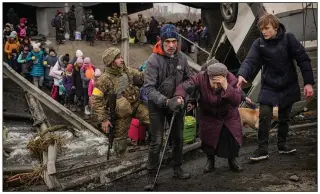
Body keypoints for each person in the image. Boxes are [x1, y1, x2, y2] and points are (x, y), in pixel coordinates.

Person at [236, 14, 315, 162]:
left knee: (284, 117)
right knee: (264, 115)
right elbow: (250, 61)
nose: (263, 31)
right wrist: (241, 74)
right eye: (261, 29)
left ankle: (282, 145)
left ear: (276, 27)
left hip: (288, 83)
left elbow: (303, 59)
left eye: (266, 28)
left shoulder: (289, 39)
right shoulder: (259, 43)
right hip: (270, 85)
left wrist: (308, 83)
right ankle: (262, 150)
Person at [143, 24, 191, 190]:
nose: (172, 45)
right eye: (168, 42)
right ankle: (151, 174)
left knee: (178, 138)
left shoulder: (183, 58)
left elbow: (189, 80)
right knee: (157, 140)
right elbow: (148, 89)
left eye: (174, 41)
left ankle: (177, 168)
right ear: (161, 42)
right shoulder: (153, 61)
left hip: (177, 103)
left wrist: (182, 96)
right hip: (157, 104)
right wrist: (165, 101)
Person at [176, 61, 244, 173]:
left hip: (228, 115)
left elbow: (237, 100)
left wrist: (226, 86)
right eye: (213, 80)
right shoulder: (201, 78)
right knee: (208, 139)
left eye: (218, 80)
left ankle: (232, 160)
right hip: (209, 114)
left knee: (232, 139)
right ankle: (210, 160)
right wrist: (179, 96)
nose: (215, 84)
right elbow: (184, 85)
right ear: (208, 76)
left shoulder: (231, 79)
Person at [91, 47, 148, 157]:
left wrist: (152, 68)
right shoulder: (104, 79)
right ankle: (120, 160)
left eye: (121, 57)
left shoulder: (126, 71)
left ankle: (162, 144)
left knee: (153, 120)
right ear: (111, 62)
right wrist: (103, 119)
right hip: (121, 114)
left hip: (135, 105)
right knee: (120, 143)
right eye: (118, 58)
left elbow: (141, 75)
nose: (121, 60)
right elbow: (96, 100)